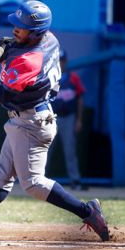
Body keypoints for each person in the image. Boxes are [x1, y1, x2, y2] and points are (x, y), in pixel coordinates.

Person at [0, 1, 110, 241]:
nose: (16, 28)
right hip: (27, 120)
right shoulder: (45, 38)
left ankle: (88, 211)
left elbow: (4, 95)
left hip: (31, 123)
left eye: (22, 26)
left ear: (36, 31)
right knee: (2, 175)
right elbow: (6, 47)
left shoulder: (30, 62)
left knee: (33, 184)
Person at [49, 49, 87, 190]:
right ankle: (37, 180)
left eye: (62, 60)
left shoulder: (73, 78)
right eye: (58, 61)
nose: (60, 63)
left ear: (66, 62)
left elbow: (80, 99)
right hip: (51, 118)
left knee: (70, 150)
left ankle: (75, 180)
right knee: (45, 150)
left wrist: (79, 120)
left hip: (68, 118)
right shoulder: (49, 78)